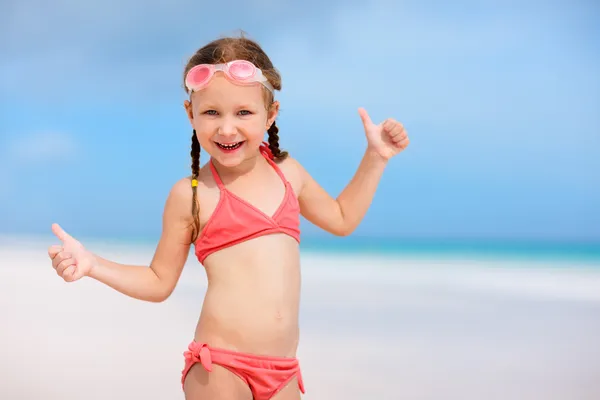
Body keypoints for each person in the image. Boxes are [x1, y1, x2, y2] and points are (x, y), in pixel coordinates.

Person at [47, 34, 409, 400]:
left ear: (271, 114)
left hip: (283, 372)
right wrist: (93, 265)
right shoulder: (191, 195)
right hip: (220, 367)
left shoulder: (288, 172)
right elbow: (158, 281)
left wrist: (375, 157)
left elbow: (342, 218)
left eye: (243, 112)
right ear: (191, 113)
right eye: (211, 112)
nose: (226, 128)